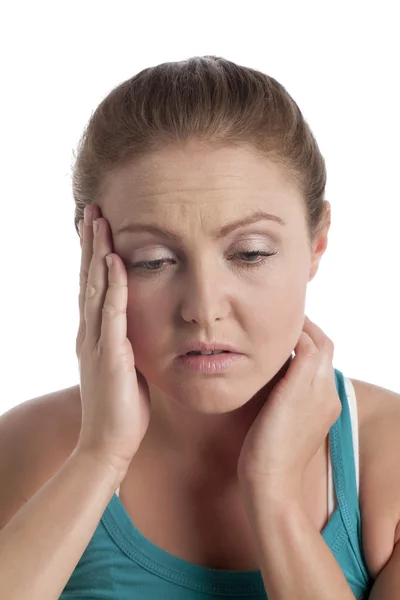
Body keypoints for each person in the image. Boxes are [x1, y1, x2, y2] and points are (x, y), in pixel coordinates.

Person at [0, 55, 399, 600]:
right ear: (94, 259)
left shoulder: (387, 455)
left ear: (317, 244)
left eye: (250, 253)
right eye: (154, 260)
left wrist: (274, 496)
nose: (203, 308)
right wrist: (100, 457)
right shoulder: (25, 451)